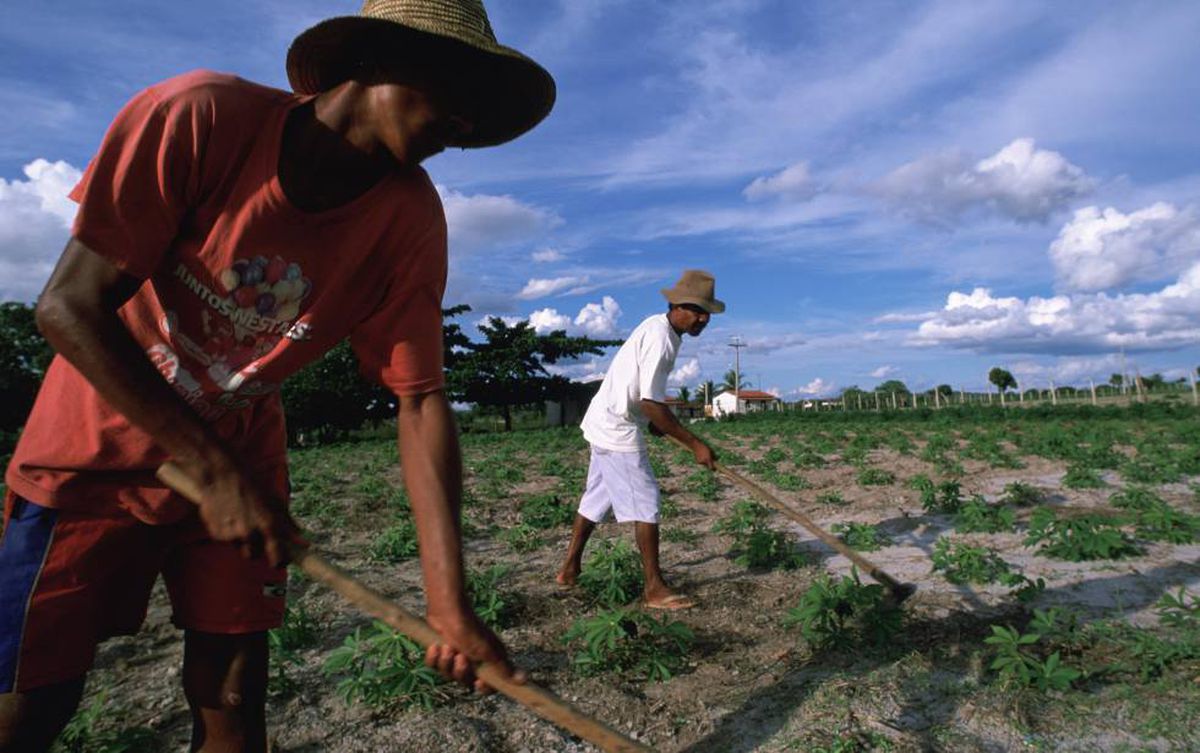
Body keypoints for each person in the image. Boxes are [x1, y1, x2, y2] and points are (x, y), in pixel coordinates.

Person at [0, 1, 555, 750]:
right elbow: (68, 307)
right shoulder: (200, 117)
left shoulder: (408, 218)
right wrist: (211, 468)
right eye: (456, 91)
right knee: (34, 698)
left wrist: (449, 604)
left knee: (234, 694)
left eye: (476, 113)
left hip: (241, 461)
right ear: (376, 60)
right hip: (90, 455)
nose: (462, 126)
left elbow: (420, 400)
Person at [555, 270, 724, 610]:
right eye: (695, 309)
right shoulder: (661, 338)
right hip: (616, 427)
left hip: (607, 419)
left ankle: (568, 570)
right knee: (646, 502)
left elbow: (643, 398)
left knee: (595, 499)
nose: (702, 318)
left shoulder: (659, 328)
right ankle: (654, 588)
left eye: (705, 312)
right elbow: (650, 402)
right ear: (675, 305)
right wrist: (695, 444)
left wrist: (655, 421)